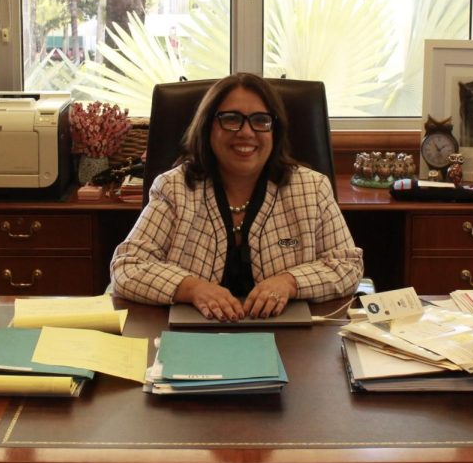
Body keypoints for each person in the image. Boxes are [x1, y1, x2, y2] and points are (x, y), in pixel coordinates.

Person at [110, 73, 363, 321]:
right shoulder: (174, 188)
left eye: (260, 120)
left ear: (274, 131)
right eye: (231, 119)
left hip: (291, 340)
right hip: (193, 338)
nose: (246, 132)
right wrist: (192, 288)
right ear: (208, 126)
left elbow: (347, 266)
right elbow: (127, 266)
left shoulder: (311, 188)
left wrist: (290, 283)